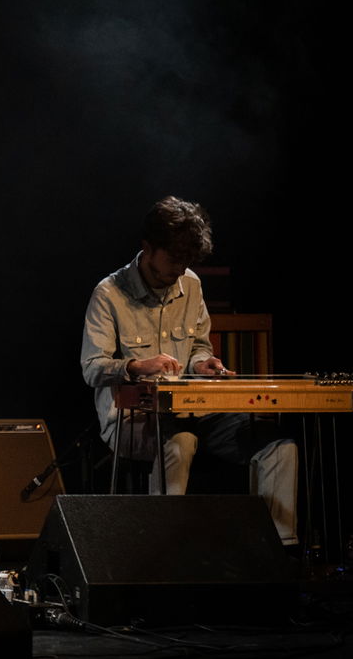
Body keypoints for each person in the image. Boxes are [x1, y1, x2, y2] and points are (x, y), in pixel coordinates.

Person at [79, 196, 297, 544]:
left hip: (192, 411)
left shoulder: (191, 284)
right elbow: (92, 369)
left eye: (187, 260)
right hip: (132, 421)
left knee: (279, 448)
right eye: (174, 258)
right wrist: (136, 366)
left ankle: (278, 553)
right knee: (179, 442)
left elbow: (198, 346)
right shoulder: (109, 294)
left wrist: (203, 364)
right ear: (148, 248)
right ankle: (163, 552)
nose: (180, 269)